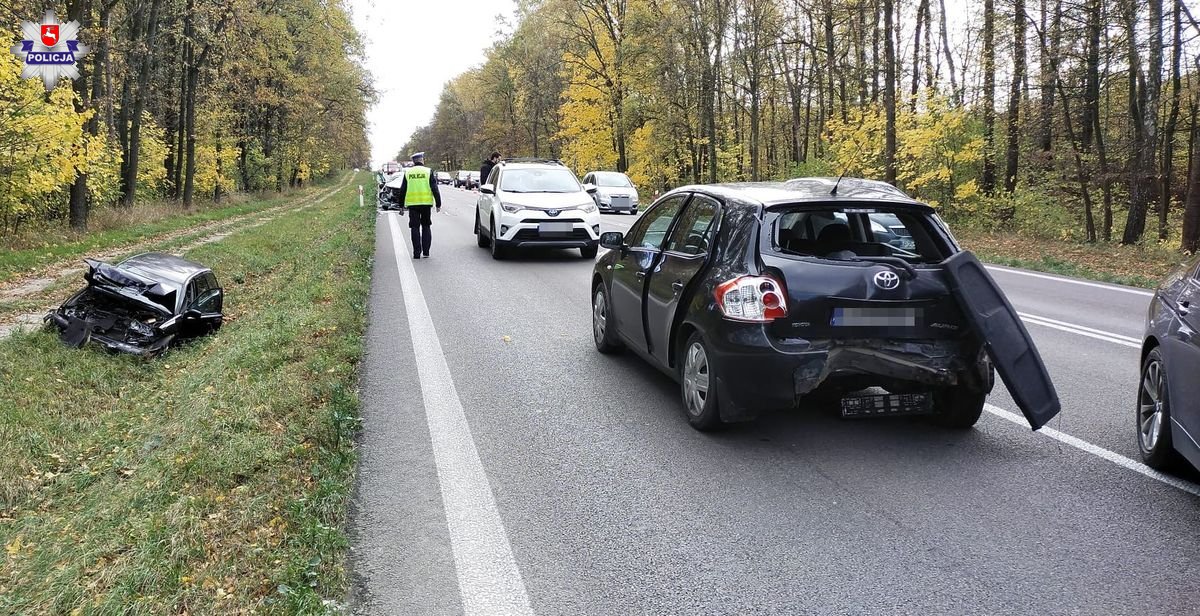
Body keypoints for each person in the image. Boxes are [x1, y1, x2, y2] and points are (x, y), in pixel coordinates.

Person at [395, 152, 442, 259]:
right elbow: (435, 188)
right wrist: (438, 203)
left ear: (413, 161)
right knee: (426, 226)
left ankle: (416, 253)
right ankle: (426, 252)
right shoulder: (428, 171)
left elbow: (403, 190)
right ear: (422, 160)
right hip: (426, 204)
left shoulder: (408, 173)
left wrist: (401, 206)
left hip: (413, 205)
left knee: (414, 228)